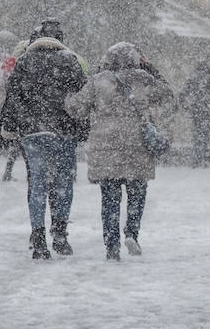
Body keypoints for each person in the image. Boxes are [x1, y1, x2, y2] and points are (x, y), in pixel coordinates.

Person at [65, 42, 174, 260]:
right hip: (137, 147)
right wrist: (150, 68)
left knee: (110, 199)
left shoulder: (98, 82)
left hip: (107, 149)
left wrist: (68, 95)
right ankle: (131, 233)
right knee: (136, 194)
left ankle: (111, 244)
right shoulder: (144, 80)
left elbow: (76, 108)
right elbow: (168, 96)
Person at [0, 18, 87, 259]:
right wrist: (82, 127)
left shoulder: (25, 61)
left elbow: (13, 96)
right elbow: (81, 98)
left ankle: (38, 237)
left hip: (32, 132)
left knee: (37, 183)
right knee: (63, 184)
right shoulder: (70, 61)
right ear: (60, 39)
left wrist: (11, 124)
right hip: (63, 131)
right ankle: (60, 233)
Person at [178, 61, 210, 167]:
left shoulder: (193, 80)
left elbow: (182, 95)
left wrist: (187, 108)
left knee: (198, 136)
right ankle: (204, 159)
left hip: (197, 112)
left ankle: (198, 159)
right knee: (205, 136)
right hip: (208, 112)